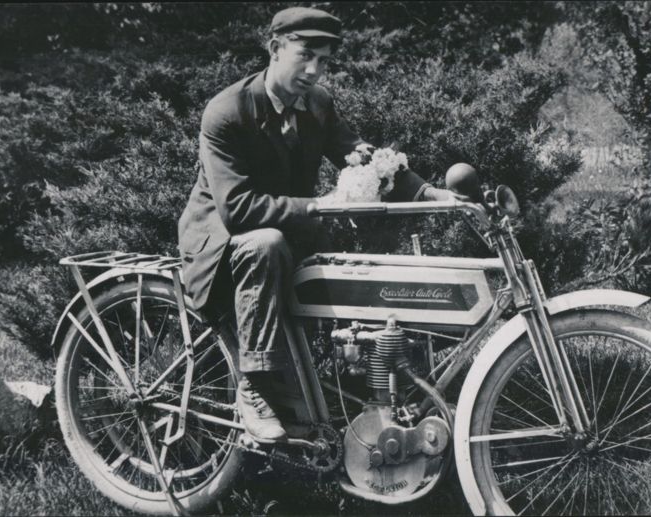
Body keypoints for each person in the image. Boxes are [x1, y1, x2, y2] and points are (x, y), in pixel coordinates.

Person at [178, 6, 457, 442]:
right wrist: (320, 205)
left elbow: (361, 156)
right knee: (265, 244)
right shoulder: (227, 112)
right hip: (220, 246)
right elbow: (237, 209)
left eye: (324, 61)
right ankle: (253, 385)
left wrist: (429, 193)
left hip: (287, 240)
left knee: (352, 274)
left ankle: (357, 390)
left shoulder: (317, 104)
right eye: (304, 55)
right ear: (274, 49)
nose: (314, 70)